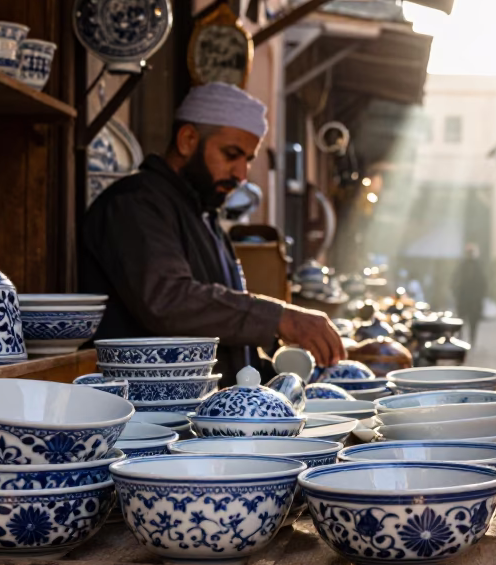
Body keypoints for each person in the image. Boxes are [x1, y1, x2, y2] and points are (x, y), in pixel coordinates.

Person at [79, 82, 344, 385]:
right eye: (232, 154)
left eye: (247, 159)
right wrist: (280, 317)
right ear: (188, 139)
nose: (241, 174)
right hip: (151, 420)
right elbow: (170, 301)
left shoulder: (205, 217)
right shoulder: (134, 205)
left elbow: (225, 329)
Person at [453, 244, 487, 345]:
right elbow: (456, 280)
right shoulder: (462, 265)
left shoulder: (478, 266)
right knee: (461, 320)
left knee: (473, 321)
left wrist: (481, 295)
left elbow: (483, 283)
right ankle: (459, 338)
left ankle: (472, 339)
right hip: (463, 297)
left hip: (474, 299)